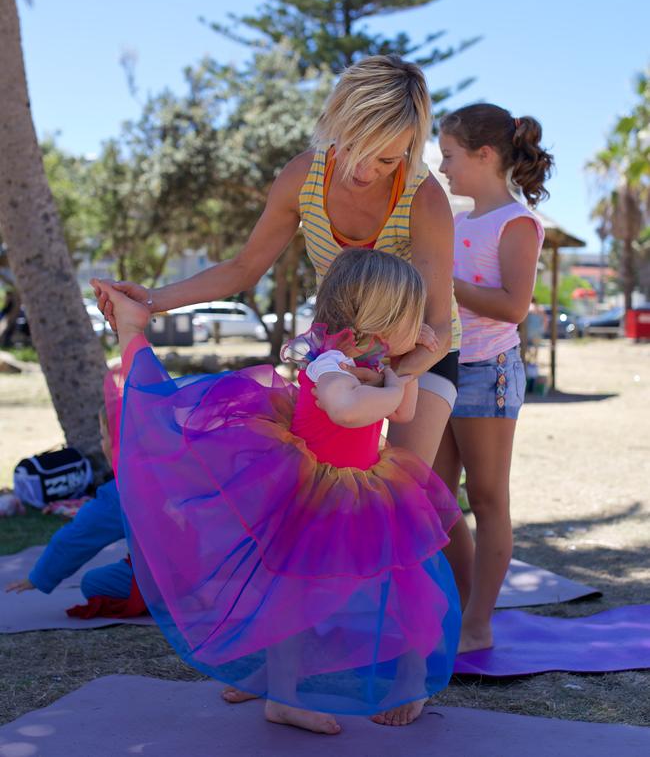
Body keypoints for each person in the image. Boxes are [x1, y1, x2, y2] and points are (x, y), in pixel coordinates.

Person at [93, 249, 461, 735]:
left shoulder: (371, 360)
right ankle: (283, 695)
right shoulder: (329, 362)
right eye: (414, 316)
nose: (423, 325)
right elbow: (347, 409)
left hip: (367, 483)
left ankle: (410, 677)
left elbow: (405, 413)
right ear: (382, 317)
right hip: (316, 489)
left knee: (405, 576)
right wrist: (392, 386)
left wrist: (407, 365)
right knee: (294, 592)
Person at [94, 54, 461, 473]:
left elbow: (439, 326)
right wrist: (153, 300)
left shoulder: (424, 196)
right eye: (357, 148)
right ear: (335, 122)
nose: (366, 170)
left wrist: (387, 380)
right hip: (341, 355)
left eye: (387, 159)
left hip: (417, 356)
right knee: (324, 486)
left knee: (404, 490)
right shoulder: (303, 177)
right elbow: (244, 269)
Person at [434, 104, 552, 653]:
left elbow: (513, 307)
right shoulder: (456, 222)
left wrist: (444, 284)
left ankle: (478, 624)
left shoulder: (518, 222)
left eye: (450, 156)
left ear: (484, 155)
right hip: (442, 369)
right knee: (433, 498)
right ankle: (460, 606)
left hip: (489, 373)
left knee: (485, 499)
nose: (442, 167)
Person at [5, 408, 146, 618]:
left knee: (92, 582)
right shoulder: (184, 473)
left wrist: (39, 577)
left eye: (103, 436)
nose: (101, 443)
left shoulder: (121, 494)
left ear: (118, 445)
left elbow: (77, 538)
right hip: (205, 570)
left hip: (166, 580)